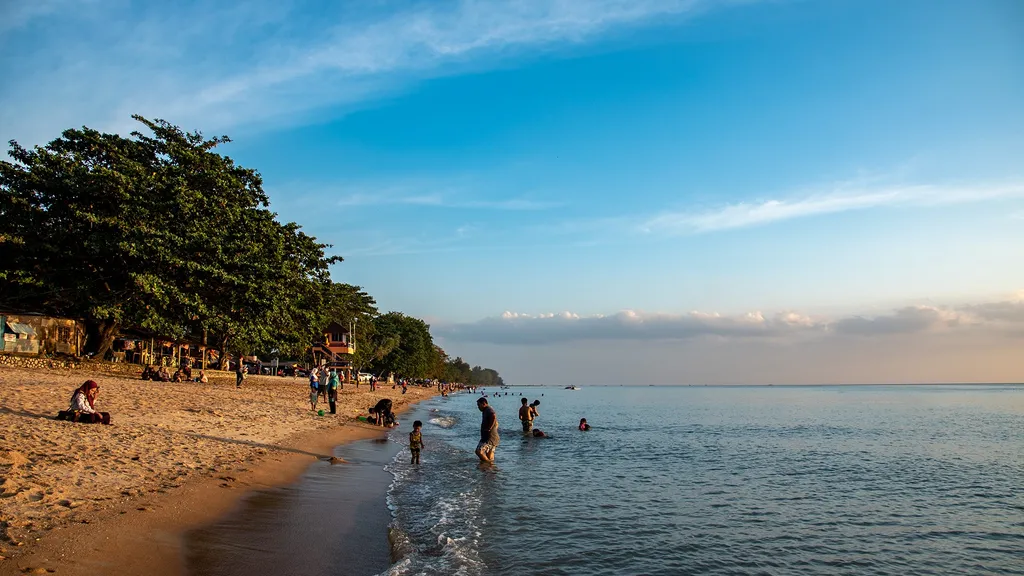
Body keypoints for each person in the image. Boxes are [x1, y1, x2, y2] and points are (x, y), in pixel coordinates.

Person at [475, 397, 499, 464]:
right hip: (491, 437)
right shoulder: (486, 410)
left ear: (484, 404)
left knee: (479, 451)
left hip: (489, 438)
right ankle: (490, 470)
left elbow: (493, 416)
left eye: (479, 405)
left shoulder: (488, 409)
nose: (478, 407)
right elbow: (497, 423)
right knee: (490, 458)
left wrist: (489, 428)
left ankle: (488, 465)